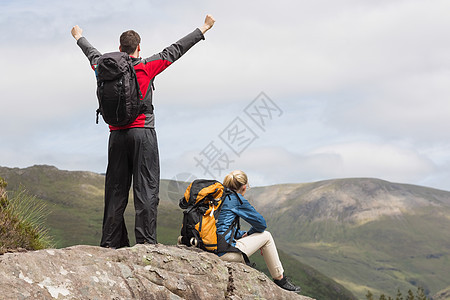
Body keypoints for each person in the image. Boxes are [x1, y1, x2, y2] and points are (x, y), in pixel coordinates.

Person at [71, 15, 215, 249]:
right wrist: (204, 28)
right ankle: (146, 243)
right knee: (146, 188)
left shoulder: (103, 67)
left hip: (116, 136)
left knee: (115, 191)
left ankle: (110, 243)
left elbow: (91, 53)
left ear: (119, 49)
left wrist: (78, 36)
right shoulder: (146, 66)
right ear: (139, 47)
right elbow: (175, 50)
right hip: (142, 134)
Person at [216, 170, 302, 293]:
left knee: (260, 236)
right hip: (223, 254)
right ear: (244, 188)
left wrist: (243, 235)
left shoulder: (217, 197)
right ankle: (280, 280)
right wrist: (252, 235)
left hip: (207, 247)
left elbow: (222, 228)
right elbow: (261, 224)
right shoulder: (236, 199)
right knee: (266, 236)